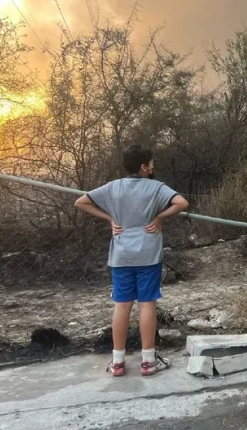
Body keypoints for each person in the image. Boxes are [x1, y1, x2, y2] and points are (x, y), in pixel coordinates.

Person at [74, 144, 189, 377]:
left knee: (122, 304)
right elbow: (182, 203)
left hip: (121, 255)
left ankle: (117, 362)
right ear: (144, 167)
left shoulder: (113, 187)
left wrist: (110, 218)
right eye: (151, 162)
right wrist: (159, 217)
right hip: (148, 254)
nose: (154, 165)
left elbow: (81, 202)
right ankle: (148, 361)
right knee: (147, 303)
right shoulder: (156, 187)